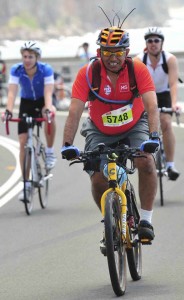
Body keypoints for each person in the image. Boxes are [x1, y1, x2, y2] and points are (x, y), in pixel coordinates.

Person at [61, 26, 160, 250]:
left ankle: (145, 219)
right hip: (99, 129)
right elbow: (75, 111)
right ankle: (110, 222)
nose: (112, 58)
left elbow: (152, 106)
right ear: (99, 52)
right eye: (107, 53)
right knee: (97, 179)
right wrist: (67, 144)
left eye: (117, 52)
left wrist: (153, 136)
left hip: (135, 125)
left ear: (127, 52)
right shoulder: (88, 73)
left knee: (145, 161)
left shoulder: (138, 69)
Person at [3, 41, 57, 201]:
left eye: (30, 57)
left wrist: (48, 108)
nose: (27, 60)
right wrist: (8, 110)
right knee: (22, 141)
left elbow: (48, 93)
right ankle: (26, 183)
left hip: (42, 100)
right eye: (25, 56)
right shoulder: (16, 70)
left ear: (37, 58)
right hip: (26, 102)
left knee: (50, 113)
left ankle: (49, 151)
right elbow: (12, 93)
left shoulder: (45, 69)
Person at [137, 27, 180, 181]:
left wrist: (174, 104)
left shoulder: (170, 59)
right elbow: (134, 86)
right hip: (146, 95)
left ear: (162, 43)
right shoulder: (139, 60)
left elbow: (173, 84)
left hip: (163, 94)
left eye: (156, 40)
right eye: (149, 41)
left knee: (166, 123)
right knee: (145, 126)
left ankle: (170, 164)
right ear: (146, 44)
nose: (153, 43)